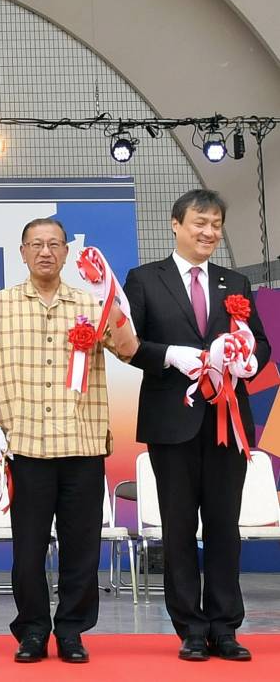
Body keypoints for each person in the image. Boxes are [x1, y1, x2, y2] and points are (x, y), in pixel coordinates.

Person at [0, 218, 138, 664]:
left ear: (65, 253)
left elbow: (129, 347)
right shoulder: (0, 305)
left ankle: (73, 631)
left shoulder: (89, 302)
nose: (45, 251)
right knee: (28, 549)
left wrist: (111, 298)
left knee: (82, 548)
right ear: (22, 251)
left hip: (82, 446)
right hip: (26, 447)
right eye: (36, 244)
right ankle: (34, 631)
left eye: (54, 244)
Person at [123, 189, 270, 662]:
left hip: (230, 422)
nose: (208, 232)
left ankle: (226, 627)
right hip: (172, 422)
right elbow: (127, 343)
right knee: (179, 528)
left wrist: (246, 360)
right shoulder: (145, 279)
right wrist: (169, 355)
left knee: (225, 526)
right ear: (175, 224)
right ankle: (189, 626)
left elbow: (262, 345)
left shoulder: (235, 283)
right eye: (199, 223)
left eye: (216, 224)